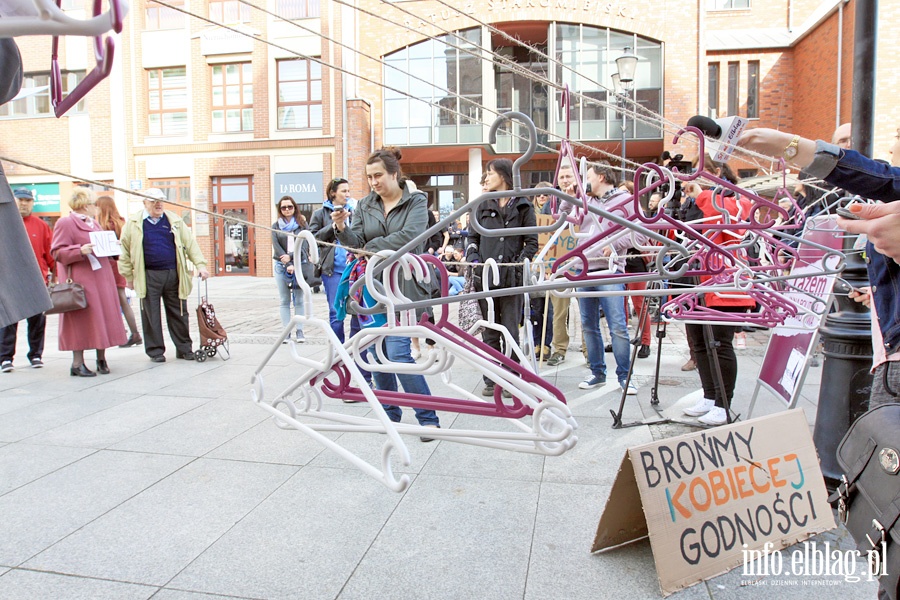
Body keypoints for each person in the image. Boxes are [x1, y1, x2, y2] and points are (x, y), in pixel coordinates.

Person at [333, 148, 440, 441]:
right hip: (373, 286)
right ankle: (390, 415)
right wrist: (341, 227)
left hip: (405, 286)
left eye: (378, 175)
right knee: (374, 353)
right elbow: (355, 244)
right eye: (369, 177)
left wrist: (373, 247)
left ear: (395, 174)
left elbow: (411, 236)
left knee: (397, 354)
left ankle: (428, 418)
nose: (373, 182)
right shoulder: (366, 204)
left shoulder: (416, 200)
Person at [679, 159, 756, 426]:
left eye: (701, 172)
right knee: (700, 341)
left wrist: (701, 194)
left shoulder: (734, 197)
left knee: (720, 344)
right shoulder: (698, 199)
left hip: (725, 282)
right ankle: (710, 396)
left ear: (717, 174)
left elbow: (731, 224)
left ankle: (724, 403)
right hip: (700, 279)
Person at [559, 161, 640, 395]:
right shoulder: (586, 201)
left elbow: (639, 233)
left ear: (602, 177)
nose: (585, 182)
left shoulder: (625, 201)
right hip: (583, 269)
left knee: (617, 325)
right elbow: (563, 216)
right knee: (588, 325)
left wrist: (613, 244)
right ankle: (597, 372)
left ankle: (625, 376)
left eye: (589, 177)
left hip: (610, 270)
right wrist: (570, 192)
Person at [465, 158, 538, 397]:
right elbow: (472, 238)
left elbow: (532, 242)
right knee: (489, 329)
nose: (487, 176)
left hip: (512, 278)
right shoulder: (481, 204)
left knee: (510, 329)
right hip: (485, 277)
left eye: (491, 172)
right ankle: (492, 378)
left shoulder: (524, 205)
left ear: (504, 175)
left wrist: (516, 264)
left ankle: (512, 376)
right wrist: (474, 258)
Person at [118, 187, 210, 363]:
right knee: (150, 314)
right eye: (153, 201)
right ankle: (155, 351)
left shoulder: (174, 220)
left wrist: (200, 265)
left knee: (179, 312)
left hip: (174, 274)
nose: (158, 204)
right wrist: (128, 277)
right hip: (148, 275)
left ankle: (184, 349)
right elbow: (125, 252)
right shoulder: (134, 223)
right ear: (145, 203)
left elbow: (190, 244)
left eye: (160, 200)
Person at [50, 188, 127, 376]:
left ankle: (101, 358)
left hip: (101, 278)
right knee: (81, 321)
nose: (98, 209)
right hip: (82, 281)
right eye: (95, 205)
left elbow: (100, 246)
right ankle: (77, 363)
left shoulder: (94, 223)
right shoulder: (66, 222)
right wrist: (79, 250)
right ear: (85, 206)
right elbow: (57, 252)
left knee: (104, 317)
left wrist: (112, 246)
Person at [0, 189, 55, 372]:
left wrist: (56, 274)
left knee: (37, 321)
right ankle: (5, 357)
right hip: (9, 279)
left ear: (33, 203)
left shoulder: (41, 225)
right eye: (21, 200)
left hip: (37, 280)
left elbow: (50, 254)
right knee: (9, 321)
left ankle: (36, 355)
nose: (24, 204)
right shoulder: (4, 223)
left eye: (28, 200)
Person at [309, 178, 365, 344]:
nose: (347, 194)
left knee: (357, 308)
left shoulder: (356, 211)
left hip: (355, 268)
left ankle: (355, 346)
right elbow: (313, 238)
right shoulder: (320, 214)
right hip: (332, 269)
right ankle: (338, 348)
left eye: (349, 191)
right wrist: (335, 225)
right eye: (343, 191)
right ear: (333, 193)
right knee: (336, 311)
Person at [95, 195, 142, 348]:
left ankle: (121, 333)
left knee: (111, 300)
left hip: (108, 265)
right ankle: (134, 333)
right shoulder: (121, 222)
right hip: (120, 263)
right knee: (123, 300)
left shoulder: (103, 224)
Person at [545, 163, 577, 367]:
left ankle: (589, 350)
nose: (565, 180)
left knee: (587, 310)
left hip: (585, 260)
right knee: (559, 311)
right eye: (562, 177)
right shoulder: (552, 201)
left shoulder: (587, 197)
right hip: (560, 261)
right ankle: (559, 349)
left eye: (569, 176)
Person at [271, 195, 307, 343]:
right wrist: (286, 262)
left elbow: (305, 245)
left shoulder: (302, 224)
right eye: (283, 207)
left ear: (294, 208)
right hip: (281, 265)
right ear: (280, 209)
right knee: (284, 299)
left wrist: (291, 258)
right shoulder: (276, 226)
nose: (287, 210)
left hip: (299, 264)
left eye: (290, 207)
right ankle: (286, 332)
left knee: (298, 299)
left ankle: (300, 331)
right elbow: (276, 246)